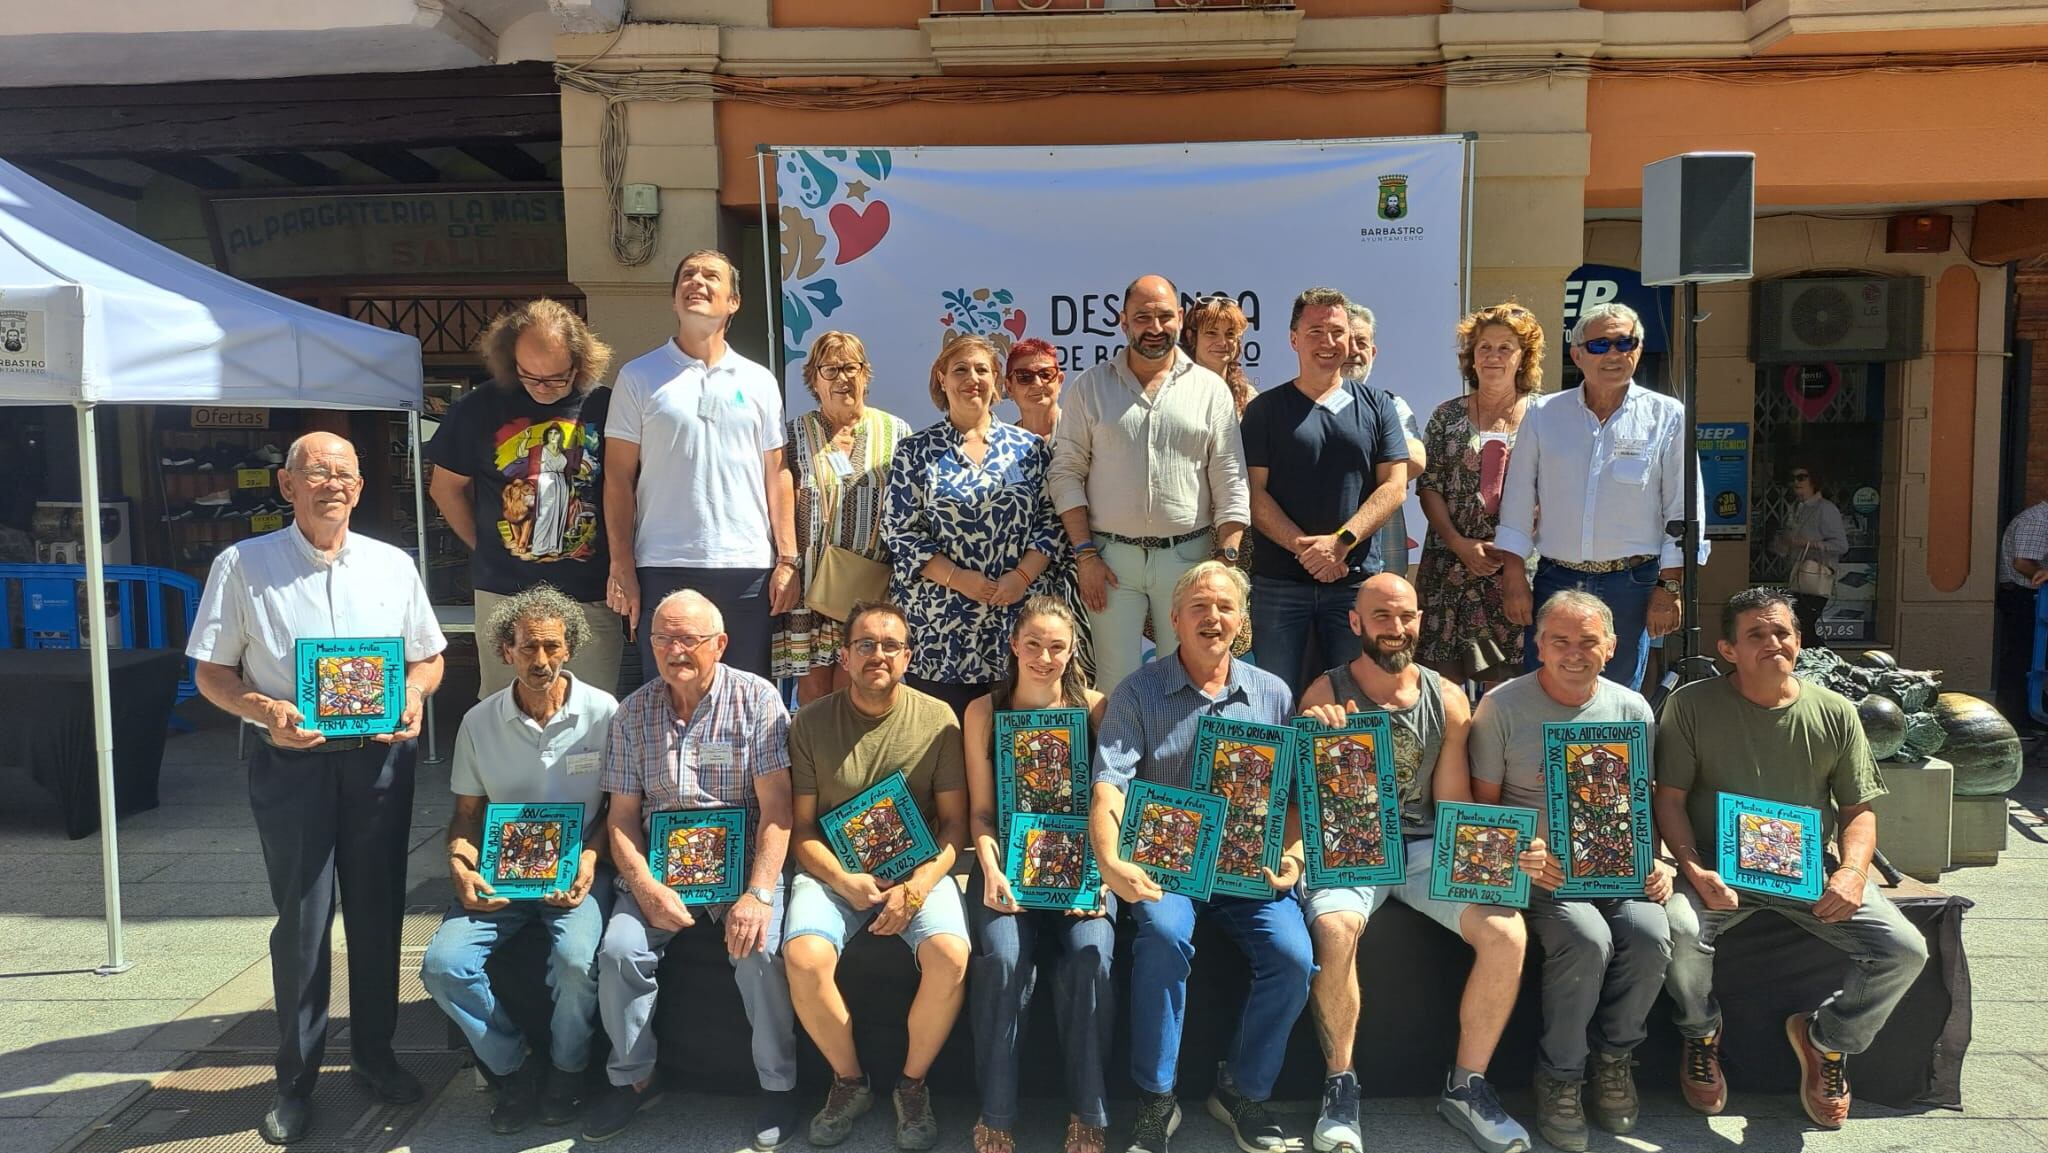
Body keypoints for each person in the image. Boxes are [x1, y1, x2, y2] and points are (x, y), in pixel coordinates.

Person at [187, 432, 446, 1146]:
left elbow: (428, 657)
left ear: (360, 488)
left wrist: (417, 694)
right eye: (317, 472)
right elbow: (212, 670)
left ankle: (374, 1054)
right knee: (302, 920)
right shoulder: (243, 564)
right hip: (291, 761)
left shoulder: (393, 565)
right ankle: (295, 1078)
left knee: (377, 909)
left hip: (377, 762)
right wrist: (263, 708)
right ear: (287, 482)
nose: (332, 483)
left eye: (344, 473)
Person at [1655, 586, 1929, 1131]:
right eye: (1756, 634)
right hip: (1717, 872)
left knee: (1906, 950)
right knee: (1681, 933)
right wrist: (1694, 869)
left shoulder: (1834, 712)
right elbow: (1670, 799)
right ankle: (1700, 1035)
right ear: (1728, 649)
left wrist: (1852, 874)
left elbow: (1858, 810)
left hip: (1810, 873)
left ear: (1799, 641)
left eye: (1782, 632)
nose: (1772, 643)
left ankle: (1827, 1041)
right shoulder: (1691, 705)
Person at [1295, 574, 1529, 1153]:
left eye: (1405, 617)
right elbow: (1306, 802)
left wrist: (1495, 857)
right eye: (1381, 617)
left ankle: (1467, 1086)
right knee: (1334, 926)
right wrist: (1319, 746)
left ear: (1420, 620)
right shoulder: (1324, 694)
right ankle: (1340, 1085)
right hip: (1350, 841)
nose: (1395, 629)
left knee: (1506, 931)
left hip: (1423, 846)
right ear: (1355, 623)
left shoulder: (1448, 697)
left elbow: (1450, 804)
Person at [1088, 561, 1310, 1153]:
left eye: (1225, 607)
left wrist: (1293, 852)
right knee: (1161, 938)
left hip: (1247, 869)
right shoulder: (1137, 692)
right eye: (1199, 607)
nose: (1213, 618)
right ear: (1174, 619)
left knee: (1293, 957)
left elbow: (1291, 796)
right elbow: (1109, 784)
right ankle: (1156, 1100)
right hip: (1166, 870)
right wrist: (1111, 861)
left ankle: (1242, 1091)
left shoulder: (1274, 693)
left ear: (1243, 621)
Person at [586, 589, 800, 1148]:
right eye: (663, 639)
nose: (675, 650)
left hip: (741, 869)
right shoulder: (632, 711)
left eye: (689, 639)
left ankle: (779, 1087)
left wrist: (757, 893)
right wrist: (644, 886)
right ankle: (634, 1079)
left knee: (761, 950)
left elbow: (778, 812)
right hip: (660, 871)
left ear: (720, 644)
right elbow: (623, 818)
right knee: (618, 952)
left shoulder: (757, 700)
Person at [1468, 591, 1671, 1152]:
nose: (1574, 653)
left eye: (1588, 642)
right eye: (1560, 641)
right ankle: (1560, 1076)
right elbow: (1481, 806)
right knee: (1587, 938)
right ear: (1538, 646)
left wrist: (1656, 861)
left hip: (1618, 868)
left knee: (1655, 933)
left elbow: (1643, 798)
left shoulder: (1634, 709)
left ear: (1612, 647)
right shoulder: (1502, 706)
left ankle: (1614, 1058)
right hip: (1545, 875)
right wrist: (1522, 852)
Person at [419, 584, 618, 1134]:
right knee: (442, 967)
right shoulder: (478, 721)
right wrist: (460, 865)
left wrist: (588, 860)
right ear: (505, 650)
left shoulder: (604, 712)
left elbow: (621, 809)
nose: (541, 660)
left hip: (577, 867)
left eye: (552, 647)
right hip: (501, 875)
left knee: (578, 962)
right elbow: (465, 816)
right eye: (528, 648)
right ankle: (513, 1071)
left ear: (570, 648)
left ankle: (567, 1071)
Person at [785, 601, 971, 1151]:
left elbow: (955, 825)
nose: (878, 655)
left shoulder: (938, 720)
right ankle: (849, 1082)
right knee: (802, 957)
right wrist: (843, 880)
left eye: (891, 645)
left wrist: (917, 888)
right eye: (865, 644)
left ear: (908, 656)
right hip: (835, 873)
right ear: (843, 657)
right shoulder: (811, 722)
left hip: (918, 871)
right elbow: (801, 831)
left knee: (952, 956)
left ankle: (912, 1086)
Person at [604, 248, 799, 685]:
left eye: (711, 276)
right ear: (674, 300)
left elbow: (778, 472)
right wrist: (622, 565)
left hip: (746, 565)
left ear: (733, 302)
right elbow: (618, 476)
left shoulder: (759, 381)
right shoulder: (639, 376)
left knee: (745, 695)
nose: (697, 281)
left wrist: (787, 559)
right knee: (669, 695)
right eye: (687, 275)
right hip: (661, 562)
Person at [962, 597, 1113, 1153]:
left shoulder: (1095, 709)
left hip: (1084, 872)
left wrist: (1098, 874)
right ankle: (996, 1111)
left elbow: (1110, 805)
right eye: (1033, 644)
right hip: (1007, 871)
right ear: (1013, 645)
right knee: (1002, 959)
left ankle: (1089, 1111)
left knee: (1092, 953)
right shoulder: (984, 712)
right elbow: (981, 814)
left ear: (1072, 651)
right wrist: (992, 868)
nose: (1044, 657)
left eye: (1056, 647)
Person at [1049, 275, 1249, 693]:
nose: (1154, 328)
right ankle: (1115, 761)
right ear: (1123, 322)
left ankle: (1179, 761)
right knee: (1113, 681)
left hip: (1189, 559)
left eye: (1163, 316)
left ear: (1180, 318)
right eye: (1143, 317)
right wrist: (1085, 556)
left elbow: (1230, 477)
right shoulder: (1090, 387)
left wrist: (1226, 563)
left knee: (1191, 678)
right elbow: (1066, 472)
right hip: (1108, 561)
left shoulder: (1210, 389)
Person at [1494, 302, 1707, 691]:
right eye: (1599, 345)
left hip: (1633, 584)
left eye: (1625, 342)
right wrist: (1512, 574)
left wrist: (1671, 586)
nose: (1614, 354)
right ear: (1576, 354)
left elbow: (1684, 507)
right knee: (1547, 690)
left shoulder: (1668, 416)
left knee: (1618, 698)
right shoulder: (1543, 414)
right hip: (1555, 578)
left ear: (1638, 350)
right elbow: (1518, 498)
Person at [429, 298, 622, 698]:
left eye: (556, 379)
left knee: (591, 716)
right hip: (504, 592)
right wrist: (484, 545)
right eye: (529, 377)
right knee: (505, 713)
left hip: (588, 592)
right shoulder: (479, 407)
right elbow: (445, 488)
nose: (542, 389)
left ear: (580, 362)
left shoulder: (606, 406)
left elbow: (626, 489)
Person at [886, 334, 1068, 719]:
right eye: (961, 369)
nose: (973, 378)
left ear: (997, 379)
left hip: (1017, 624)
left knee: (1017, 748)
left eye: (982, 369)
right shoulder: (914, 451)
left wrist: (1020, 577)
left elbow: (1052, 522)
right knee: (945, 747)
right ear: (941, 378)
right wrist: (957, 578)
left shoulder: (1030, 449)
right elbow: (900, 532)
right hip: (940, 625)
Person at [1241, 288, 1410, 703]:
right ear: (1293, 338)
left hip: (1353, 585)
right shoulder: (1265, 410)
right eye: (1315, 331)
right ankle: (1281, 772)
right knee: (1274, 699)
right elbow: (1252, 493)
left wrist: (1341, 543)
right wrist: (1306, 549)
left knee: (1355, 700)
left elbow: (1394, 486)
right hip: (1279, 584)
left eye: (1337, 331)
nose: (1328, 341)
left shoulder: (1378, 406)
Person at [774, 331, 911, 706]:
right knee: (816, 692)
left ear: (866, 374)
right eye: (830, 369)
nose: (842, 379)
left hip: (869, 587)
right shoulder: (793, 434)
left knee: (862, 687)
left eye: (850, 368)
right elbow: (776, 500)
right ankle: (818, 763)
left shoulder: (896, 432)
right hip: (812, 586)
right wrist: (785, 564)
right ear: (813, 379)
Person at [1415, 303, 1543, 684]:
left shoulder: (1546, 416)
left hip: (1517, 569)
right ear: (1471, 357)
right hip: (1449, 566)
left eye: (1506, 347)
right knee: (1443, 686)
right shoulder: (1445, 415)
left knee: (1508, 686)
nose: (1493, 356)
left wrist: (1510, 549)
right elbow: (1429, 485)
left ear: (1523, 357)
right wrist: (1458, 544)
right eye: (1484, 347)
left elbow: (1554, 492)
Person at [1182, 295, 1259, 659]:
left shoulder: (1250, 398)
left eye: (1231, 333)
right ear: (1191, 336)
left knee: (1232, 630)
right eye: (1211, 332)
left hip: (1238, 533)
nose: (1222, 341)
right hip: (1187, 527)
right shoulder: (1173, 393)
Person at [1342, 303, 1427, 582]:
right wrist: (1383, 462)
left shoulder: (1391, 404)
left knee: (1382, 622)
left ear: (1373, 353)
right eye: (1346, 340)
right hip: (1319, 548)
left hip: (1382, 542)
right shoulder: (1301, 405)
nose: (1354, 351)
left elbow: (1414, 459)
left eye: (1362, 342)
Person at [1772, 465, 1850, 645]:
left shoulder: (1825, 509)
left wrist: (1809, 543)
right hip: (1796, 575)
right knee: (1797, 626)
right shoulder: (1797, 508)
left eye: (1801, 478)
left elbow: (1841, 545)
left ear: (1814, 480)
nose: (1796, 483)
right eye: (1793, 479)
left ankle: (1823, 661)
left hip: (1815, 575)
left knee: (1804, 626)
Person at [1996, 497, 2048, 725]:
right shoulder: (2038, 520)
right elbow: (2024, 563)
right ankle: (2017, 719)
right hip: (2023, 596)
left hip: (2027, 596)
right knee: (2022, 657)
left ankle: (2025, 716)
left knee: (2027, 657)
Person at [1006, 337, 1067, 440]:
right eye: (1024, 377)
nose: (1037, 384)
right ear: (1009, 388)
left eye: (1046, 374)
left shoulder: (1085, 434)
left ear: (1059, 382)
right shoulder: (1004, 444)